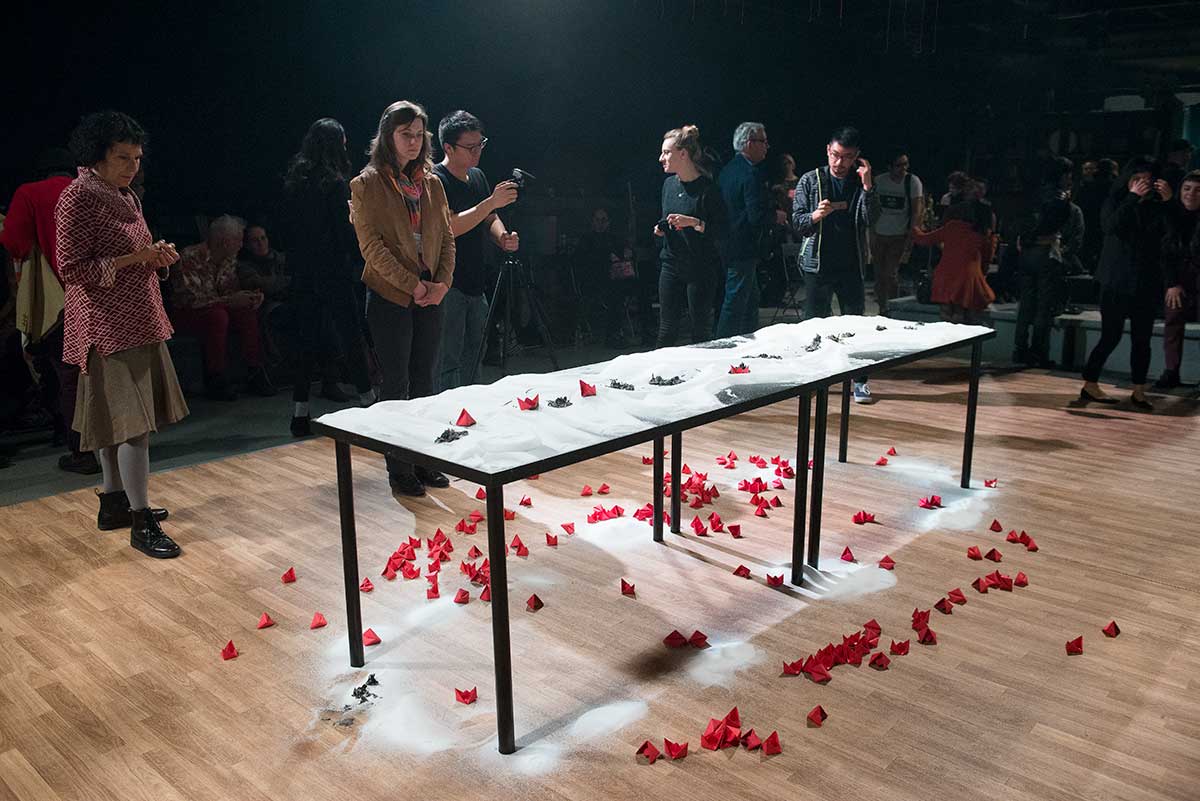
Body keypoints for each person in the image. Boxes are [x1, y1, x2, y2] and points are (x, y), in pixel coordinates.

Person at [55, 110, 186, 558]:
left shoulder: (124, 194)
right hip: (106, 326)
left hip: (138, 316)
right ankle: (140, 519)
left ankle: (114, 501)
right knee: (132, 426)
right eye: (122, 157)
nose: (132, 166)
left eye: (136, 157)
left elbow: (129, 253)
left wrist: (155, 258)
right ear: (97, 157)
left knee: (118, 421)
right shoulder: (77, 198)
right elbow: (70, 270)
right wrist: (136, 259)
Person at [350, 100, 455, 496]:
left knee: (425, 380)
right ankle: (400, 466)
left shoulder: (432, 183)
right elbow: (371, 247)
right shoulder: (367, 183)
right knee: (396, 385)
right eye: (404, 134)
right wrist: (412, 285)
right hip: (391, 294)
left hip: (431, 293)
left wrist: (442, 283)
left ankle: (426, 460)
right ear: (388, 136)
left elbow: (445, 237)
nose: (413, 142)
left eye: (418, 135)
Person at [1, 147, 101, 474]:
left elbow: (14, 242)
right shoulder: (96, 190)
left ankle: (81, 451)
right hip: (104, 293)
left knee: (68, 375)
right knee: (105, 372)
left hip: (63, 297)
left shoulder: (30, 193)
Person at [281, 117, 377, 436]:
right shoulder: (335, 184)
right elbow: (342, 232)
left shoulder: (294, 181)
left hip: (302, 271)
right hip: (332, 270)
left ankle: (300, 413)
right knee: (350, 336)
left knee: (305, 341)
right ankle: (370, 404)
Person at [792, 126, 881, 403]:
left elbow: (871, 218)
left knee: (855, 326)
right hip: (817, 265)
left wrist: (868, 187)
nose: (840, 163)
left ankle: (859, 382)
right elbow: (797, 223)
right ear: (828, 150)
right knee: (813, 326)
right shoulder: (811, 180)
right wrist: (815, 216)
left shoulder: (859, 182)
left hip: (851, 263)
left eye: (847, 157)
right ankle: (811, 380)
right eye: (835, 155)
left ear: (857, 158)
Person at [431, 111, 519, 390]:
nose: (477, 151)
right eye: (470, 147)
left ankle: (473, 412)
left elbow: (489, 218)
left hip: (476, 280)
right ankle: (447, 418)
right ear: (448, 147)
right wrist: (491, 203)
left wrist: (502, 237)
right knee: (447, 359)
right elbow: (449, 227)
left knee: (475, 355)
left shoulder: (477, 176)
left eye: (481, 144)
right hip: (447, 282)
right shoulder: (435, 179)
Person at [1080, 156, 1174, 410]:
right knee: (1111, 335)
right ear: (1128, 180)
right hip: (1116, 280)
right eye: (1137, 179)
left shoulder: (1157, 206)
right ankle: (1090, 383)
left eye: (1148, 180)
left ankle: (1139, 391)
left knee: (1142, 338)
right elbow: (1110, 227)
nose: (1143, 184)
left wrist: (1168, 203)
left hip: (1145, 282)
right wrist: (1132, 197)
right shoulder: (1116, 201)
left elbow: (1170, 234)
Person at [170, 215, 275, 400]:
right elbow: (192, 299)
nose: (241, 245)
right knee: (217, 316)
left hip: (215, 308)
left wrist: (250, 298)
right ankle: (215, 377)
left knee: (245, 312)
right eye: (238, 240)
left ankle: (255, 370)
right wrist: (230, 300)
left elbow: (229, 291)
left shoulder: (229, 259)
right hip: (185, 313)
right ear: (225, 242)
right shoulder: (190, 257)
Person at [655, 125, 725, 347]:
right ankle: (658, 377)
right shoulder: (668, 184)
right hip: (671, 263)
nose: (661, 158)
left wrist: (694, 223)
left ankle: (703, 377)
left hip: (700, 267)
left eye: (667, 153)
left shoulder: (708, 189)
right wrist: (662, 228)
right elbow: (667, 218)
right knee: (667, 329)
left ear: (683, 154)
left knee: (700, 330)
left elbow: (722, 230)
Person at [1013, 157, 1085, 367]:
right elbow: (1064, 231)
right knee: (1043, 306)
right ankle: (1038, 353)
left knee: (1026, 304)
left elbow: (1021, 225)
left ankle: (1019, 349)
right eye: (1069, 175)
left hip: (1027, 253)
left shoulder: (1033, 196)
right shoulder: (1063, 201)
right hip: (1048, 253)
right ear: (1062, 176)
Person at [716, 122, 773, 337]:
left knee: (749, 299)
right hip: (743, 246)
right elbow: (756, 216)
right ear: (750, 143)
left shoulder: (727, 171)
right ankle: (724, 346)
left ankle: (749, 341)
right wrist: (774, 216)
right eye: (763, 142)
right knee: (736, 301)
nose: (767, 146)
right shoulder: (751, 174)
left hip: (726, 244)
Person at [911, 189, 995, 323]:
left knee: (946, 311)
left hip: (946, 275)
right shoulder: (982, 232)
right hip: (969, 277)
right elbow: (987, 258)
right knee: (962, 312)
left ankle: (947, 338)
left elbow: (923, 239)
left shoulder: (952, 227)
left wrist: (914, 227)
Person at [1155, 170, 1200, 389]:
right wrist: (1171, 283)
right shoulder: (1172, 216)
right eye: (1187, 188)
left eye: (1198, 190)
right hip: (1179, 279)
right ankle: (1171, 372)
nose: (1191, 194)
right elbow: (1166, 253)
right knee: (1173, 322)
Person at [871, 150, 925, 315]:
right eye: (898, 165)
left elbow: (917, 209)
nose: (903, 168)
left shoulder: (912, 181)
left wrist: (912, 233)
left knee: (891, 273)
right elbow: (872, 206)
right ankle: (882, 307)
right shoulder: (880, 181)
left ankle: (892, 307)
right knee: (879, 274)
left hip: (899, 234)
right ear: (889, 167)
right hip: (879, 233)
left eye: (905, 164)